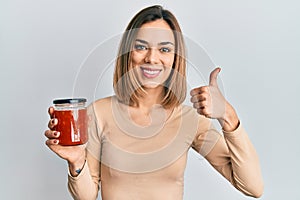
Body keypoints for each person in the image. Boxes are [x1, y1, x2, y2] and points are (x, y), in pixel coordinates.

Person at [45, 5, 264, 200]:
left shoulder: (190, 120)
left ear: (175, 57)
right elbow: (87, 196)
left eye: (164, 49)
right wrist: (76, 163)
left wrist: (228, 115)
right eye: (141, 47)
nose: (152, 58)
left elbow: (253, 187)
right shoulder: (99, 113)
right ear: (128, 53)